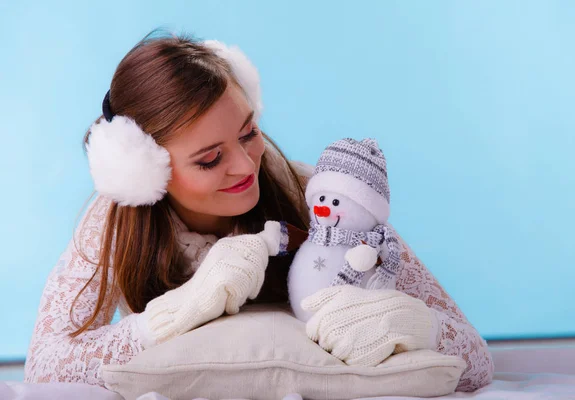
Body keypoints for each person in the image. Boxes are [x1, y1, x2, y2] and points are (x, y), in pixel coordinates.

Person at [23, 30, 494, 392]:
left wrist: (414, 325)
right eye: (209, 159)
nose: (246, 164)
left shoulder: (320, 197)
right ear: (144, 170)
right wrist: (176, 313)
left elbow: (475, 355)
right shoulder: (112, 221)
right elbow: (45, 365)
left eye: (249, 133)